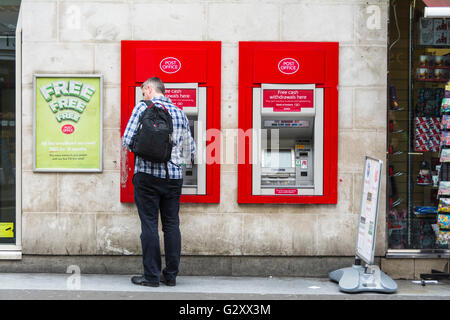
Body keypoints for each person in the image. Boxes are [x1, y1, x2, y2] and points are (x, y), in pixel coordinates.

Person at [122, 76, 195, 287]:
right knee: (172, 225)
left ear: (149, 89)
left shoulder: (142, 108)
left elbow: (127, 140)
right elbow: (190, 151)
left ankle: (151, 277)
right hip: (173, 179)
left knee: (149, 225)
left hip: (146, 176)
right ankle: (170, 276)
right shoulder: (180, 113)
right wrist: (176, 166)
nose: (143, 94)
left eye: (143, 91)